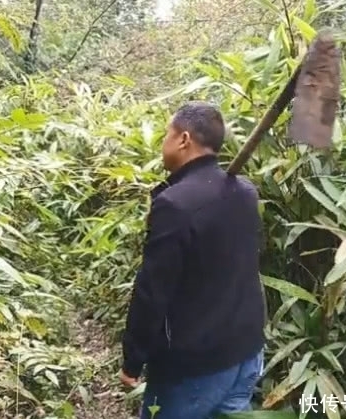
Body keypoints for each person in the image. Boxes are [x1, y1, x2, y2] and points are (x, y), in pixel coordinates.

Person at [119, 101, 266, 419]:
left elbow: (153, 290)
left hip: (195, 367)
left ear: (183, 139)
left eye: (166, 135)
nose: (163, 143)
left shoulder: (176, 204)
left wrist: (133, 358)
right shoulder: (245, 191)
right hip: (247, 350)